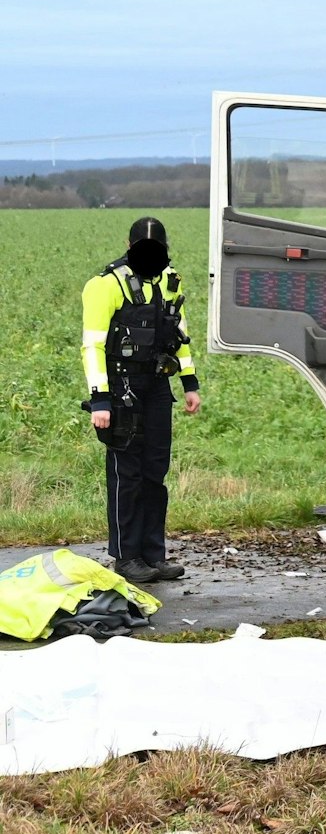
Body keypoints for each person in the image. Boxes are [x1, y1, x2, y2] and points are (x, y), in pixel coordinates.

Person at [81, 216, 201, 584]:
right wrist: (100, 400)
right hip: (120, 389)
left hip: (157, 386)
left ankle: (153, 554)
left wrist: (189, 381)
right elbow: (93, 345)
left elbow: (177, 334)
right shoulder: (105, 286)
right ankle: (126, 556)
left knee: (155, 472)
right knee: (126, 475)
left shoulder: (168, 279)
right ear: (129, 246)